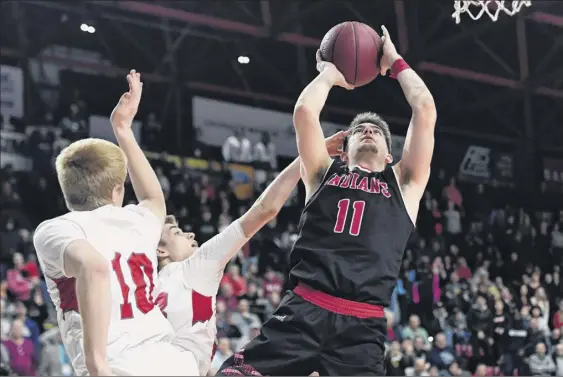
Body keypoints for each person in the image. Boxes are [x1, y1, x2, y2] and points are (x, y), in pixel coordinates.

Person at [217, 25, 437, 376]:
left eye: (377, 132)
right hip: (304, 310)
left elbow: (424, 109)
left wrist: (395, 62)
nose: (368, 130)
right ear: (343, 152)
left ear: (388, 156)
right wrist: (329, 75)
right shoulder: (322, 172)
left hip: (361, 328)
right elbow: (305, 113)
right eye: (360, 130)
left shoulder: (404, 183)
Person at [32, 70, 197, 376]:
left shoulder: (56, 229)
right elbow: (153, 197)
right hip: (172, 361)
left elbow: (94, 267)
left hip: (119, 367)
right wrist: (122, 128)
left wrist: (96, 365)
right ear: (118, 191)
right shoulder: (139, 221)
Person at [155, 133, 346, 376]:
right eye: (178, 233)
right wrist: (305, 156)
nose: (190, 234)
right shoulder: (194, 267)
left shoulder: (145, 286)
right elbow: (265, 210)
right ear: (161, 250)